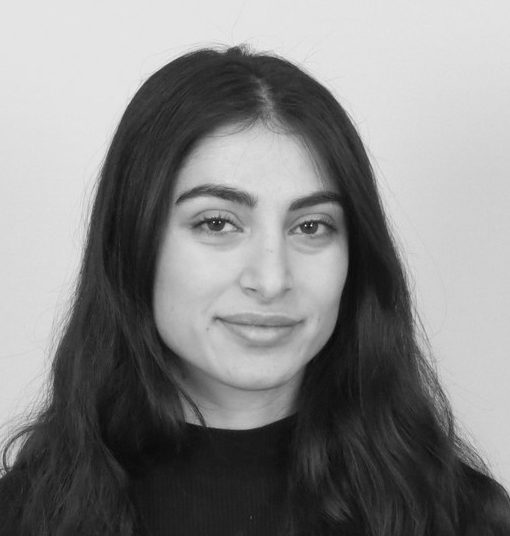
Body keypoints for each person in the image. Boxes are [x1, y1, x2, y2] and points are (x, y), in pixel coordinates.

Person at [1, 44, 509, 536]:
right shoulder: (22, 519)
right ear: (132, 243)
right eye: (217, 223)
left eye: (310, 227)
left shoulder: (464, 518)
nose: (271, 280)